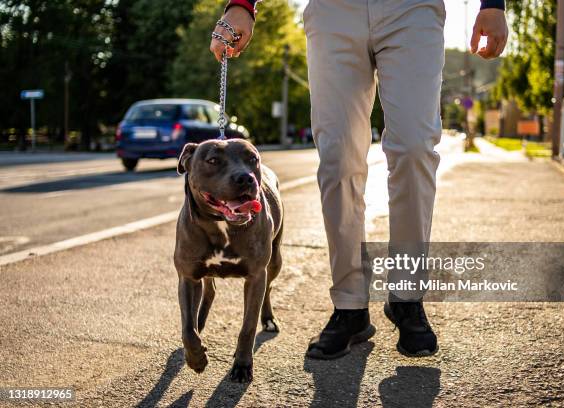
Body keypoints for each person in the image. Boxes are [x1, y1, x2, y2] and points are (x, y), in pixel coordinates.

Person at [210, 0, 508, 359]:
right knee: (337, 159)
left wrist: (493, 4)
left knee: (415, 148)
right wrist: (242, 4)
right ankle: (350, 307)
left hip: (412, 10)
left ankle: (406, 297)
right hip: (334, 12)